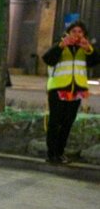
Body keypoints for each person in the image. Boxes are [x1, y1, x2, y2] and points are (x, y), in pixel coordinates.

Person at [41, 21, 99, 164]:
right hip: (58, 89)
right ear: (68, 33)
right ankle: (51, 153)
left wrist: (89, 49)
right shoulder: (60, 45)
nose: (77, 35)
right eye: (74, 31)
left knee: (67, 123)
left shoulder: (85, 49)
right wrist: (61, 46)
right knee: (55, 122)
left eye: (80, 32)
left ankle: (60, 153)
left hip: (76, 90)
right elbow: (47, 59)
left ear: (84, 35)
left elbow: (95, 61)